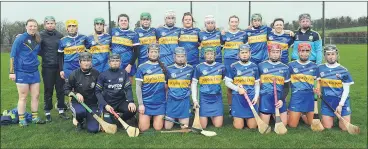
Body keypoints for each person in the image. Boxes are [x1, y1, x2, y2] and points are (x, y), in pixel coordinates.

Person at [9, 19, 45, 126]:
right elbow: (12, 55)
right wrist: (12, 72)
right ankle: (21, 119)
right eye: (30, 26)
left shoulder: (38, 38)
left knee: (36, 95)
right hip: (21, 71)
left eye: (34, 26)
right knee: (23, 96)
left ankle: (35, 117)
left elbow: (39, 52)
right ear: (26, 27)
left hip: (34, 71)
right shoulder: (20, 38)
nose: (32, 28)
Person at [316, 45, 354, 131]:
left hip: (342, 102)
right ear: (324, 56)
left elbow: (346, 90)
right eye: (328, 54)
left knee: (344, 128)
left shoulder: (343, 70)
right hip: (327, 102)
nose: (331, 57)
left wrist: (340, 105)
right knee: (327, 126)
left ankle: (339, 116)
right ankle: (329, 117)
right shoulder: (320, 68)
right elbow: (318, 80)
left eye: (333, 54)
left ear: (337, 55)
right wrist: (318, 90)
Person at [39, 16, 68, 122]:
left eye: (52, 23)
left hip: (59, 67)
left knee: (60, 89)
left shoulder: (60, 35)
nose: (50, 25)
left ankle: (61, 110)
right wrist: (46, 55)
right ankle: (47, 112)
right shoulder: (40, 35)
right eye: (48, 23)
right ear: (45, 24)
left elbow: (64, 50)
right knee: (48, 90)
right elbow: (37, 49)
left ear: (55, 24)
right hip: (47, 67)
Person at [95, 53, 137, 126]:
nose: (115, 63)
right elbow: (97, 92)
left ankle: (121, 119)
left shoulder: (124, 73)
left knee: (133, 109)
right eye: (112, 61)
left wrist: (131, 101)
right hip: (108, 103)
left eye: (117, 61)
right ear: (109, 63)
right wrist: (105, 105)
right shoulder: (103, 74)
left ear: (120, 62)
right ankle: (111, 116)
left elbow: (128, 88)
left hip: (120, 101)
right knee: (109, 122)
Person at [225, 44, 259, 129]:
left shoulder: (254, 66)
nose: (244, 54)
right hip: (238, 98)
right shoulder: (233, 66)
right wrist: (237, 89)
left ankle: (246, 118)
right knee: (238, 127)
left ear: (250, 53)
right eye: (242, 52)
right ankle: (237, 117)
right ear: (238, 54)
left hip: (250, 99)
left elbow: (257, 83)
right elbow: (227, 82)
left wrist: (256, 96)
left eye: (246, 52)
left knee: (253, 126)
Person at [64, 52, 100, 133]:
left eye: (88, 60)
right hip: (78, 103)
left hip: (92, 104)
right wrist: (76, 94)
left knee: (93, 130)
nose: (86, 63)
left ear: (91, 62)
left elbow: (100, 90)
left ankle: (88, 118)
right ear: (79, 62)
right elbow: (66, 89)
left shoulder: (96, 73)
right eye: (84, 61)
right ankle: (80, 122)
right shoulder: (74, 74)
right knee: (80, 112)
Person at [191, 47, 225, 128]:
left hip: (217, 98)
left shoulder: (221, 67)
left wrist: (237, 86)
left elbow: (226, 81)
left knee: (218, 125)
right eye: (208, 54)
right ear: (204, 55)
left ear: (215, 56)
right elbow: (194, 84)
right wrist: (195, 100)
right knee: (203, 126)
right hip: (204, 99)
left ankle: (211, 116)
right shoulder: (199, 67)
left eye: (212, 54)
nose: (210, 56)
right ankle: (205, 115)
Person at [136, 43, 167, 131]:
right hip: (146, 103)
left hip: (160, 103)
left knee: (158, 128)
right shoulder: (142, 67)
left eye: (156, 52)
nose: (153, 54)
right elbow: (138, 87)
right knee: (143, 128)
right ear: (147, 53)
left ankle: (154, 117)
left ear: (159, 53)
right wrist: (141, 104)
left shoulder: (164, 66)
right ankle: (147, 117)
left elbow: (166, 86)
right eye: (152, 52)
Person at [258, 43, 290, 126]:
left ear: (280, 53)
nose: (275, 54)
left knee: (284, 125)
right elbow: (257, 84)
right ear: (268, 53)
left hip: (279, 99)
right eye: (273, 52)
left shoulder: (285, 68)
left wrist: (281, 99)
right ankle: (268, 114)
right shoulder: (261, 66)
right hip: (266, 98)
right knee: (264, 126)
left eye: (277, 52)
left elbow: (286, 87)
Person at [287, 43, 317, 127]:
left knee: (312, 124)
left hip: (309, 97)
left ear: (310, 52)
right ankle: (293, 112)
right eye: (302, 51)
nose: (304, 53)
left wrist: (317, 91)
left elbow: (317, 83)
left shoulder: (314, 66)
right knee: (292, 125)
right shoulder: (291, 65)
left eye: (307, 51)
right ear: (298, 52)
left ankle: (302, 115)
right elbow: (286, 84)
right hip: (296, 97)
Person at [221, 15, 246, 117]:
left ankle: (241, 105)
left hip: (240, 62)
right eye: (232, 22)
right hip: (228, 62)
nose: (234, 24)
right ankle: (231, 107)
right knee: (229, 85)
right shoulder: (224, 34)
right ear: (229, 23)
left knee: (241, 83)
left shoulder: (243, 34)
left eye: (236, 22)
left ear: (238, 23)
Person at [164, 47, 194, 129]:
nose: (180, 59)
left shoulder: (190, 69)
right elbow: (166, 86)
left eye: (182, 56)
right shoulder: (168, 69)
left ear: (185, 57)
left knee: (184, 127)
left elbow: (192, 85)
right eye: (178, 56)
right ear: (174, 57)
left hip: (184, 101)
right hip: (172, 101)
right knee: (167, 128)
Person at [111, 14, 140, 83]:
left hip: (128, 63)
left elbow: (136, 52)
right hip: (115, 63)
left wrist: (130, 65)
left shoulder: (134, 34)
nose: (123, 22)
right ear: (118, 22)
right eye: (121, 20)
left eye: (125, 20)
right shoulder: (113, 31)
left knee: (128, 86)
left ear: (128, 22)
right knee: (115, 86)